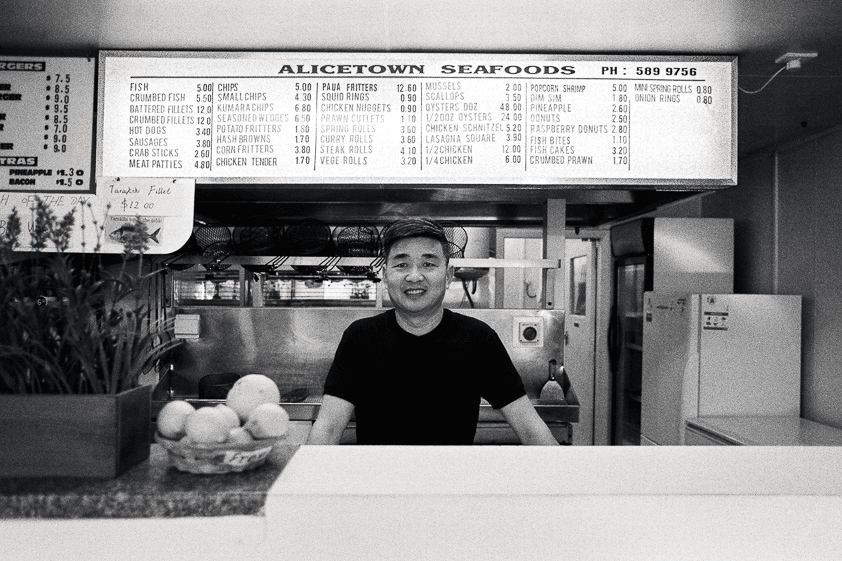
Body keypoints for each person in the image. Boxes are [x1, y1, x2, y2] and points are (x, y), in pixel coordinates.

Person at [306, 217, 559, 445]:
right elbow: (327, 430)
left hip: (451, 489)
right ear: (385, 275)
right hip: (379, 488)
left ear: (448, 276)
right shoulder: (360, 338)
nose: (414, 276)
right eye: (401, 265)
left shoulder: (478, 339)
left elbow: (531, 429)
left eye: (428, 263)